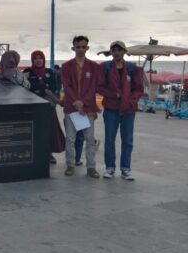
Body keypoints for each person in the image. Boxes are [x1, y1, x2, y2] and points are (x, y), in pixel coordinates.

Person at [97, 41, 144, 180]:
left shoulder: (132, 68)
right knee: (109, 140)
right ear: (111, 52)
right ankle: (110, 168)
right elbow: (99, 87)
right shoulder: (104, 67)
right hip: (111, 108)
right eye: (114, 50)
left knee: (127, 140)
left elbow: (139, 89)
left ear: (124, 51)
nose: (116, 52)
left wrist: (131, 100)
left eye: (119, 50)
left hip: (128, 109)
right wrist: (114, 94)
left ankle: (126, 169)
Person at [61, 36, 100, 178]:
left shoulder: (94, 66)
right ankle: (70, 165)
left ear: (87, 48)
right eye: (78, 47)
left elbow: (93, 87)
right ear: (73, 48)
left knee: (90, 139)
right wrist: (76, 102)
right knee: (70, 139)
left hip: (88, 108)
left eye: (84, 47)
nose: (81, 49)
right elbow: (66, 86)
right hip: (71, 108)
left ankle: (91, 167)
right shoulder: (66, 66)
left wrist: (83, 102)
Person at [24, 50, 65, 165]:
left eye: (40, 58)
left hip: (48, 107)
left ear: (43, 59)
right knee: (34, 130)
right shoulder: (28, 71)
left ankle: (49, 153)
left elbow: (53, 86)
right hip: (33, 106)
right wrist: (44, 88)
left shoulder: (49, 71)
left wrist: (39, 88)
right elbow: (27, 86)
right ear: (32, 60)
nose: (38, 60)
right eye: (35, 58)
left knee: (50, 130)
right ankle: (34, 152)